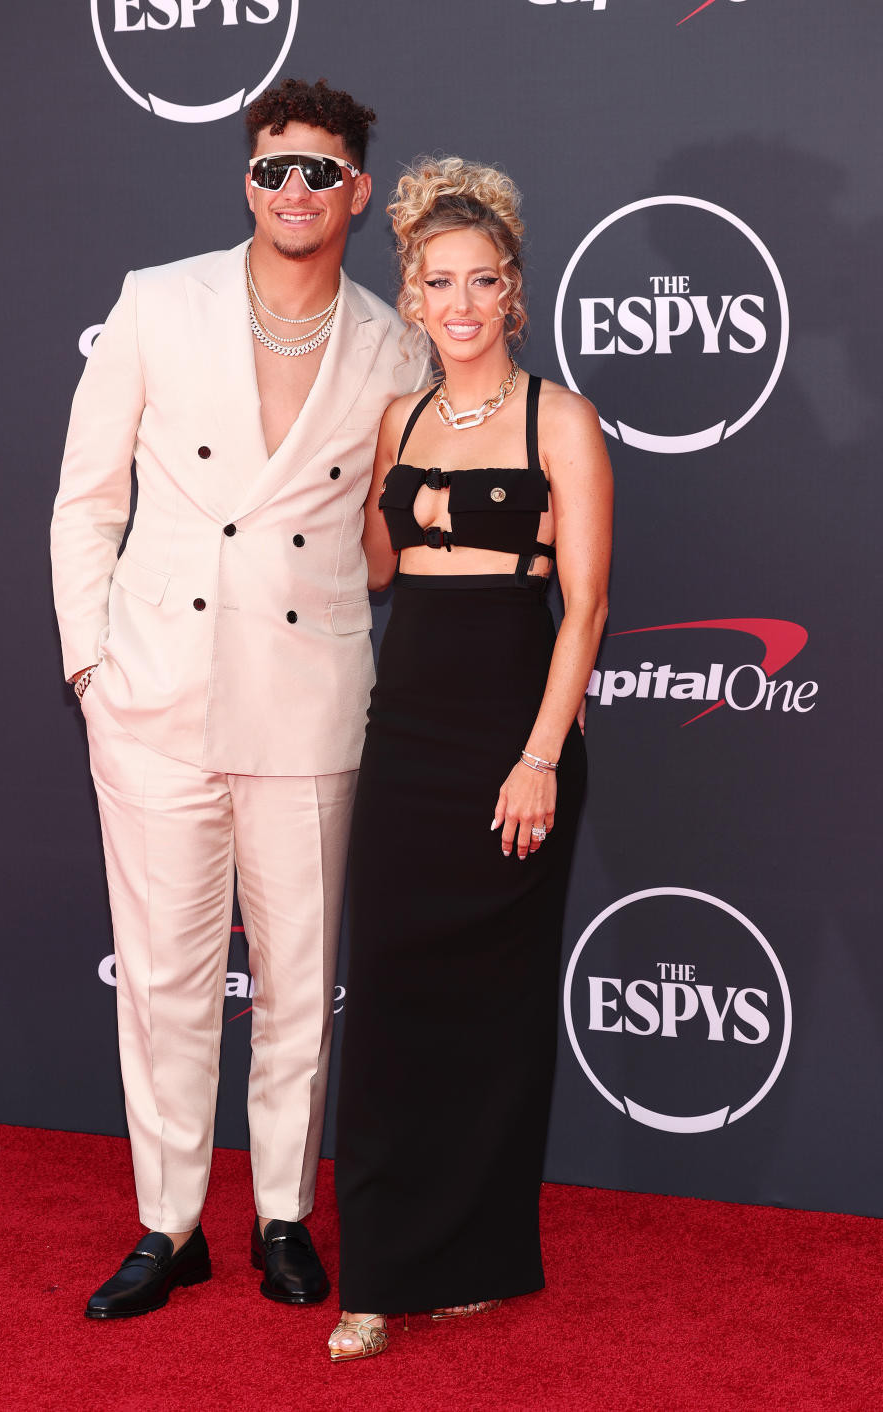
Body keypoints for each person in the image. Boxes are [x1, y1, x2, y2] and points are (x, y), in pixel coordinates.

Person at [50, 78, 426, 1321]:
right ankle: (168, 1224)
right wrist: (91, 666)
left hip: (307, 696)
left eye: (321, 172)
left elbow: (387, 540)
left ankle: (279, 1213)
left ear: (357, 193)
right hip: (155, 692)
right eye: (275, 170)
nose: (295, 192)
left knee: (299, 978)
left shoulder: (395, 342)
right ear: (247, 182)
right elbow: (88, 499)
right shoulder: (159, 302)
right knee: (161, 975)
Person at [328, 157, 613, 1361]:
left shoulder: (563, 418)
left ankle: (475, 1256)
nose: (457, 303)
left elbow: (588, 606)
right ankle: (379, 1271)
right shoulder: (395, 417)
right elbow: (383, 572)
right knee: (390, 995)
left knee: (493, 1008)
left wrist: (541, 754)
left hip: (514, 724)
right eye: (436, 281)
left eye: (480, 281)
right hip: (410, 727)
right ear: (412, 289)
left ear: (514, 294)